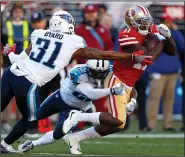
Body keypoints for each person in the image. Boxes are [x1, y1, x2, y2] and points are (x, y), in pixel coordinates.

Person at [1, 10, 150, 153]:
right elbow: (96, 58)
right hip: (40, 86)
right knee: (30, 120)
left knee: (13, 111)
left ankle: (20, 144)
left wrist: (10, 53)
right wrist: (129, 58)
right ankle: (5, 145)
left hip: (12, 73)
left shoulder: (38, 34)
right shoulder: (74, 44)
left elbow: (20, 57)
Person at [58, 5, 177, 154]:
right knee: (117, 120)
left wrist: (169, 37)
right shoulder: (126, 33)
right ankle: (78, 116)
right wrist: (162, 41)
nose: (146, 24)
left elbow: (172, 52)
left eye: (147, 21)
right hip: (117, 79)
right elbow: (148, 57)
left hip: (129, 83)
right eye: (142, 21)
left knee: (118, 125)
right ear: (132, 22)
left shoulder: (151, 32)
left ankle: (75, 138)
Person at [18, 59, 137, 154]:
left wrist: (132, 101)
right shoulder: (78, 72)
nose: (98, 76)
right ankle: (8, 141)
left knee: (58, 134)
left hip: (79, 108)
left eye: (102, 73)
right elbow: (90, 93)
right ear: (88, 68)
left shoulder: (112, 73)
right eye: (95, 72)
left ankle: (32, 144)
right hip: (61, 99)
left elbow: (130, 89)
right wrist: (111, 90)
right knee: (34, 116)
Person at [146, 13, 184, 132]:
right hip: (158, 72)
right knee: (154, 99)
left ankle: (168, 124)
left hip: (172, 72)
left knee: (169, 99)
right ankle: (150, 125)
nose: (164, 23)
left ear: (170, 22)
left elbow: (182, 47)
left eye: (166, 21)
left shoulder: (175, 34)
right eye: (162, 20)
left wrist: (175, 32)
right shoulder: (155, 34)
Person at [75, 4, 114, 115]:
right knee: (81, 96)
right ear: (85, 14)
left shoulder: (103, 30)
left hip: (101, 69)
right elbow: (75, 50)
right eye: (88, 13)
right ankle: (78, 123)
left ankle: (99, 123)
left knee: (100, 98)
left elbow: (109, 48)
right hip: (84, 68)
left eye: (93, 13)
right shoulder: (79, 30)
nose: (91, 15)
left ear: (97, 14)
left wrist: (108, 64)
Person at [1, 3, 32, 134]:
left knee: (22, 93)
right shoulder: (5, 25)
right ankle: (5, 122)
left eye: (20, 11)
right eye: (16, 11)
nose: (18, 14)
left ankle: (21, 121)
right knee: (6, 93)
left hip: (24, 64)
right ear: (12, 13)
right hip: (8, 63)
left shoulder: (28, 26)